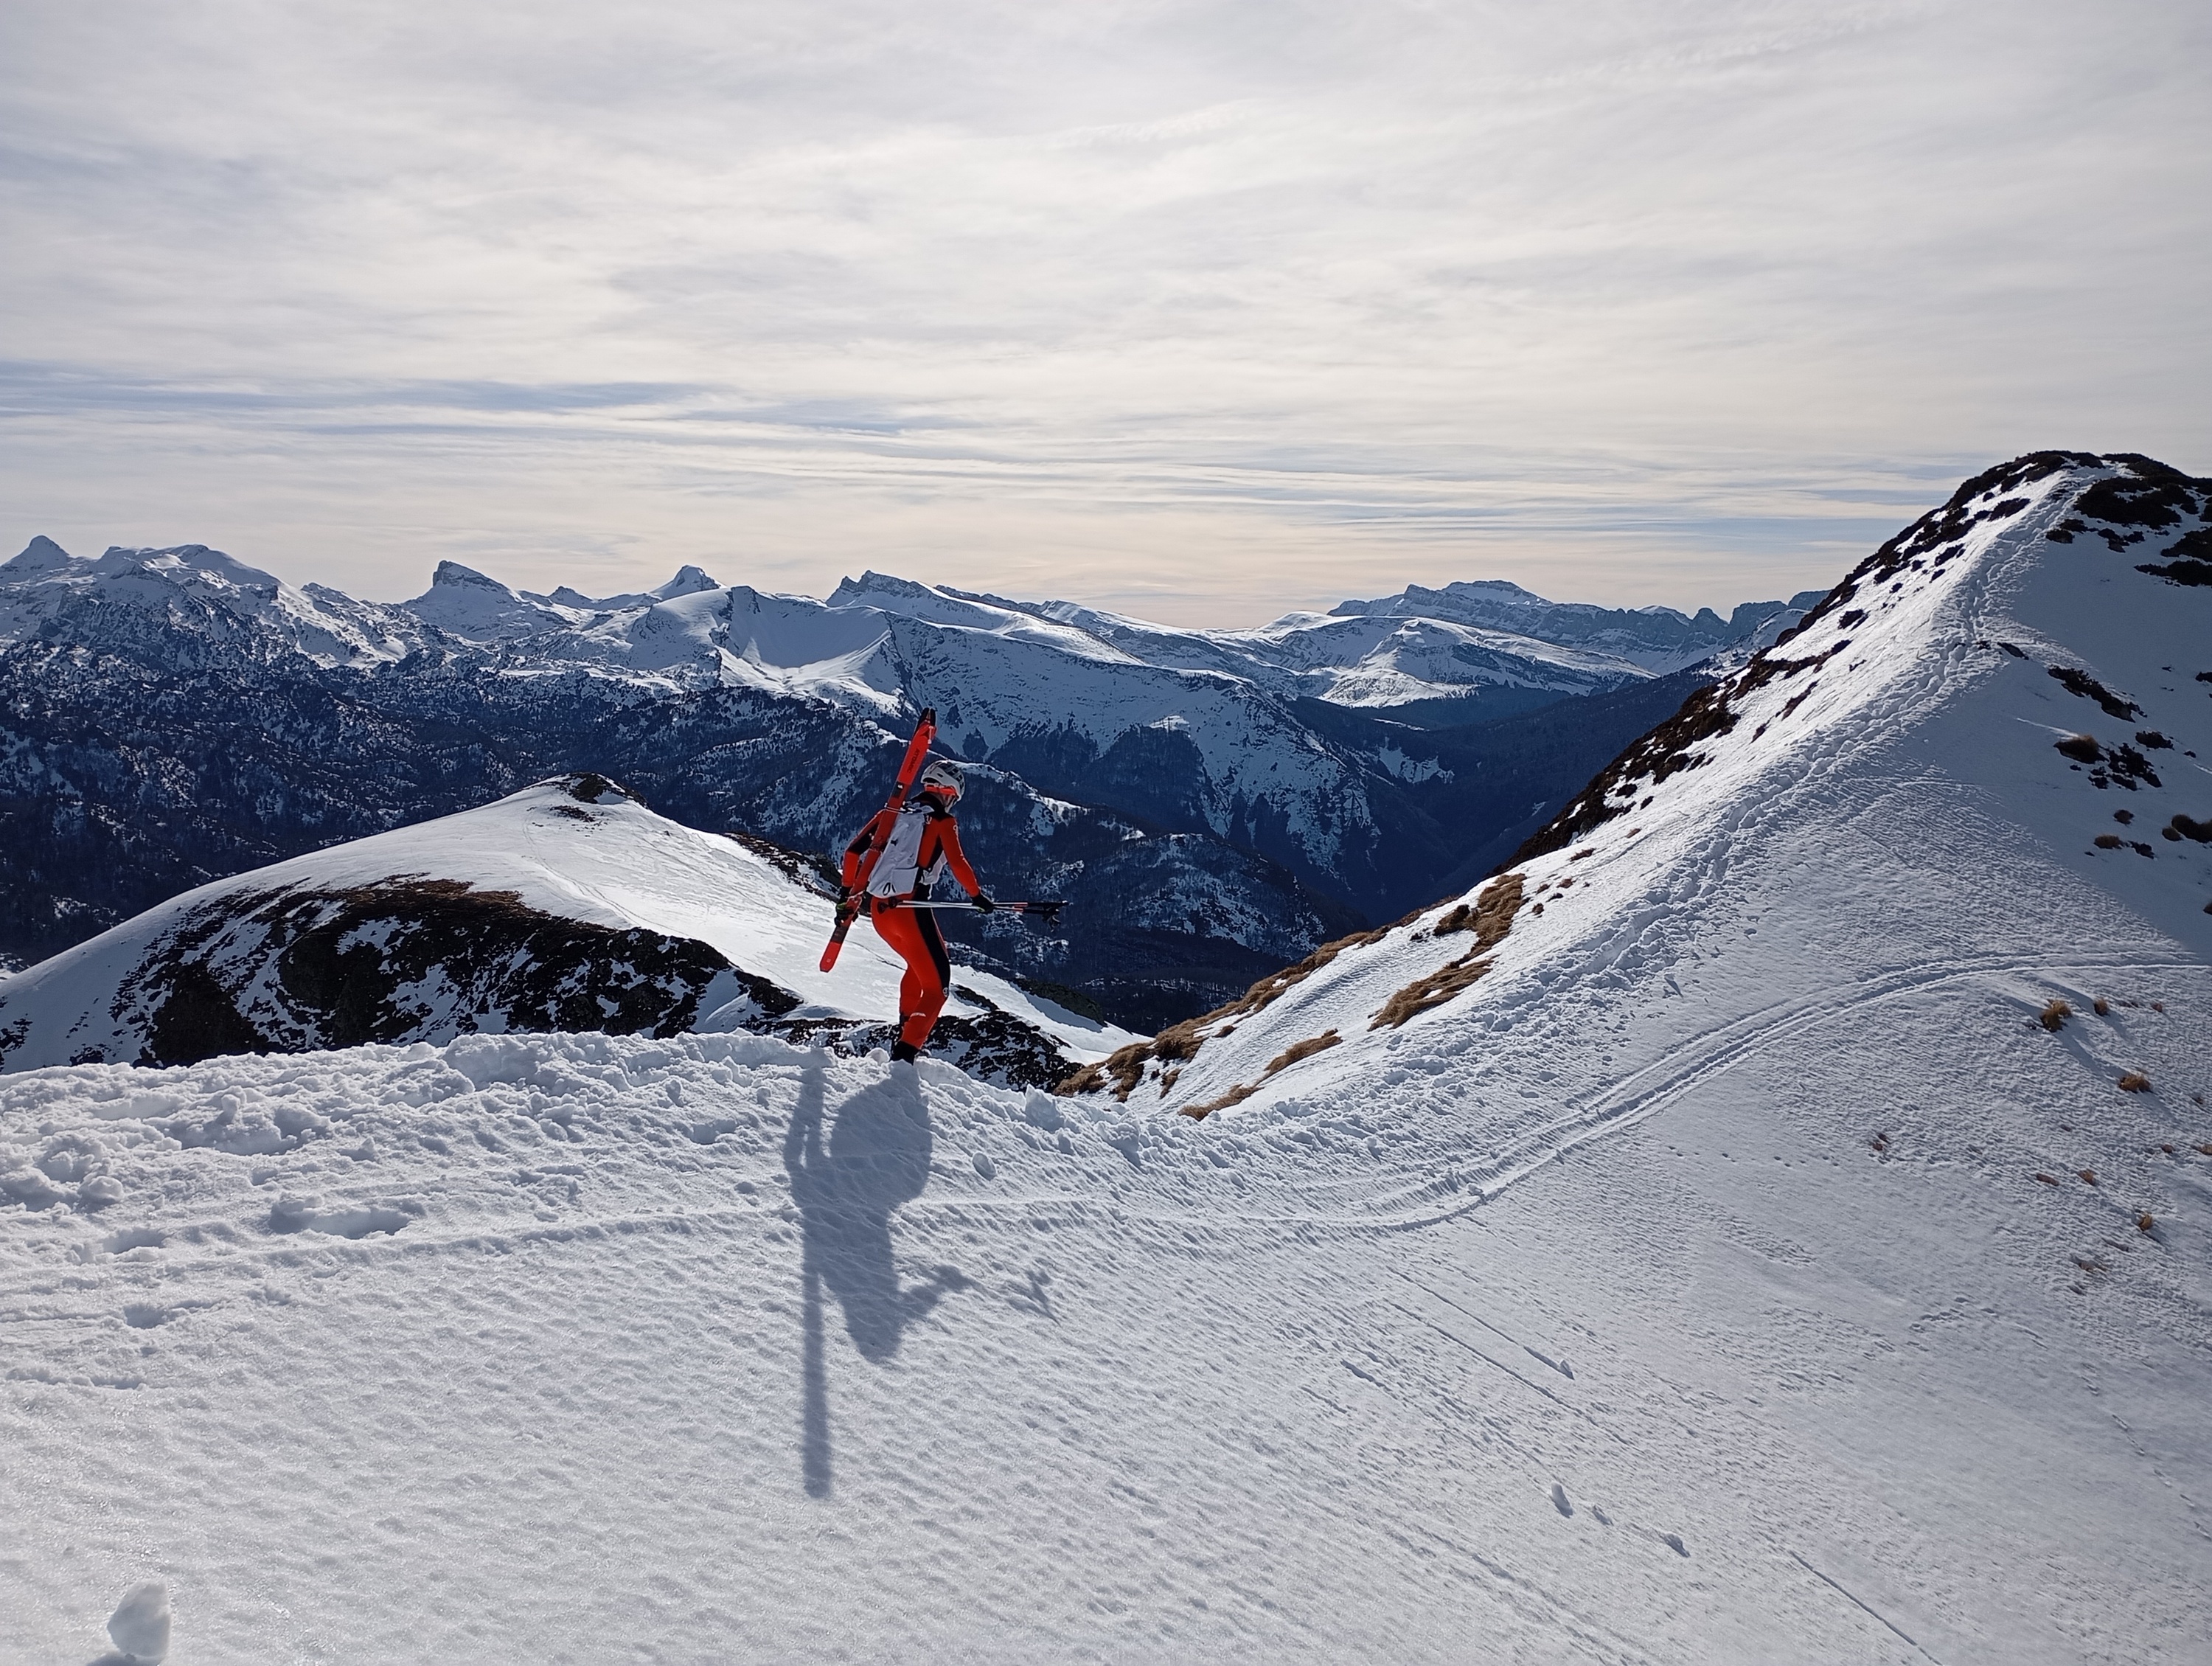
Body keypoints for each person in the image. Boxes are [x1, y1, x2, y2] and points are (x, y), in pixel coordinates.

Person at [841, 759, 994, 1063]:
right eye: (954, 798)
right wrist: (977, 896)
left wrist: (847, 896)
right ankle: (906, 1054)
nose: (952, 804)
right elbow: (958, 863)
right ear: (949, 793)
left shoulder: (893, 814)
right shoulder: (941, 822)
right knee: (938, 990)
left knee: (918, 964)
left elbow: (852, 852)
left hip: (880, 913)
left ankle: (906, 1029)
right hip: (911, 911)